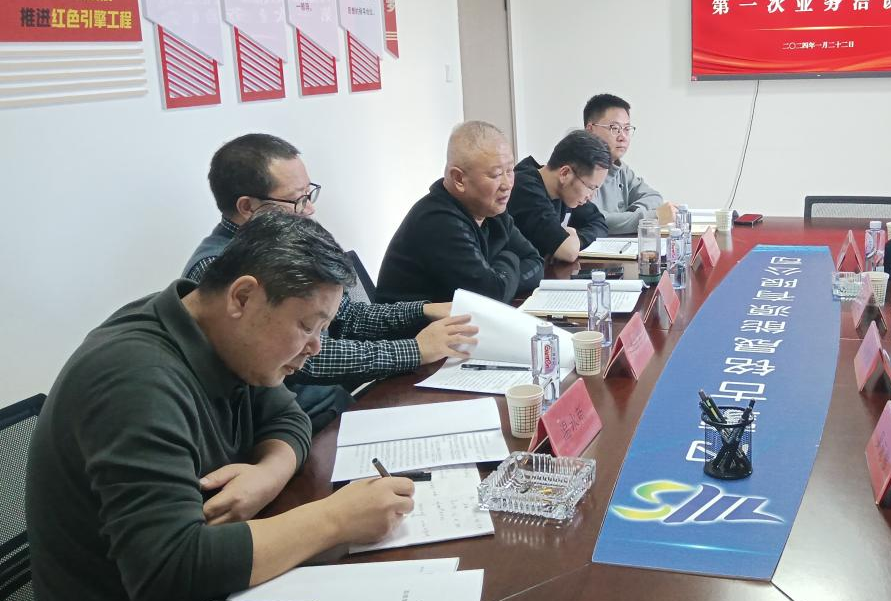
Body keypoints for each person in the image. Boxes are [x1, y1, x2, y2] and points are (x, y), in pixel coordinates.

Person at [26, 213, 417, 601]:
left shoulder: (219, 334)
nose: (315, 346)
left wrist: (267, 474)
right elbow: (166, 569)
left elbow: (289, 417)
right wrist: (336, 519)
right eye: (307, 326)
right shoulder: (136, 379)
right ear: (243, 297)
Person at [184, 134, 476, 427]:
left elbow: (346, 318)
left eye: (309, 193)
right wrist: (414, 350)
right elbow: (306, 358)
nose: (309, 209)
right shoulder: (217, 269)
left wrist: (423, 310)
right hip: (298, 422)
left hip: (329, 405)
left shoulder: (285, 244)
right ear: (248, 207)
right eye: (297, 199)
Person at [377, 121, 544, 304]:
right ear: (459, 179)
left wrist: (502, 277)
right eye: (496, 174)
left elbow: (536, 262)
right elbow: (491, 297)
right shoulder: (438, 221)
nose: (507, 184)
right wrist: (509, 257)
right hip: (419, 322)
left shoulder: (491, 210)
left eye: (510, 171)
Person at [509, 130, 610, 262]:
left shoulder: (566, 192)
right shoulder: (525, 190)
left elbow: (599, 223)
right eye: (591, 188)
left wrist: (577, 238)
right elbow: (568, 252)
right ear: (565, 173)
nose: (591, 196)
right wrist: (568, 242)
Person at [583, 93, 675, 235]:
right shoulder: (580, 170)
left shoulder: (620, 168)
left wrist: (628, 217)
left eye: (626, 129)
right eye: (615, 128)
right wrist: (651, 217)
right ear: (590, 130)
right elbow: (597, 220)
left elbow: (654, 197)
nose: (623, 137)